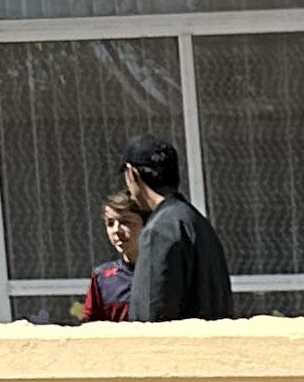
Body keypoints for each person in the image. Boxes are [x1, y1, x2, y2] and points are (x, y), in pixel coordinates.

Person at [120, 134, 234, 321]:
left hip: (180, 340)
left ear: (132, 173)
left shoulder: (160, 230)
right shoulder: (198, 223)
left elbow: (151, 316)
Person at [80, 190, 142, 323]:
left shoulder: (167, 271)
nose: (116, 230)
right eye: (110, 223)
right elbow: (90, 326)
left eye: (125, 222)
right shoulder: (102, 277)